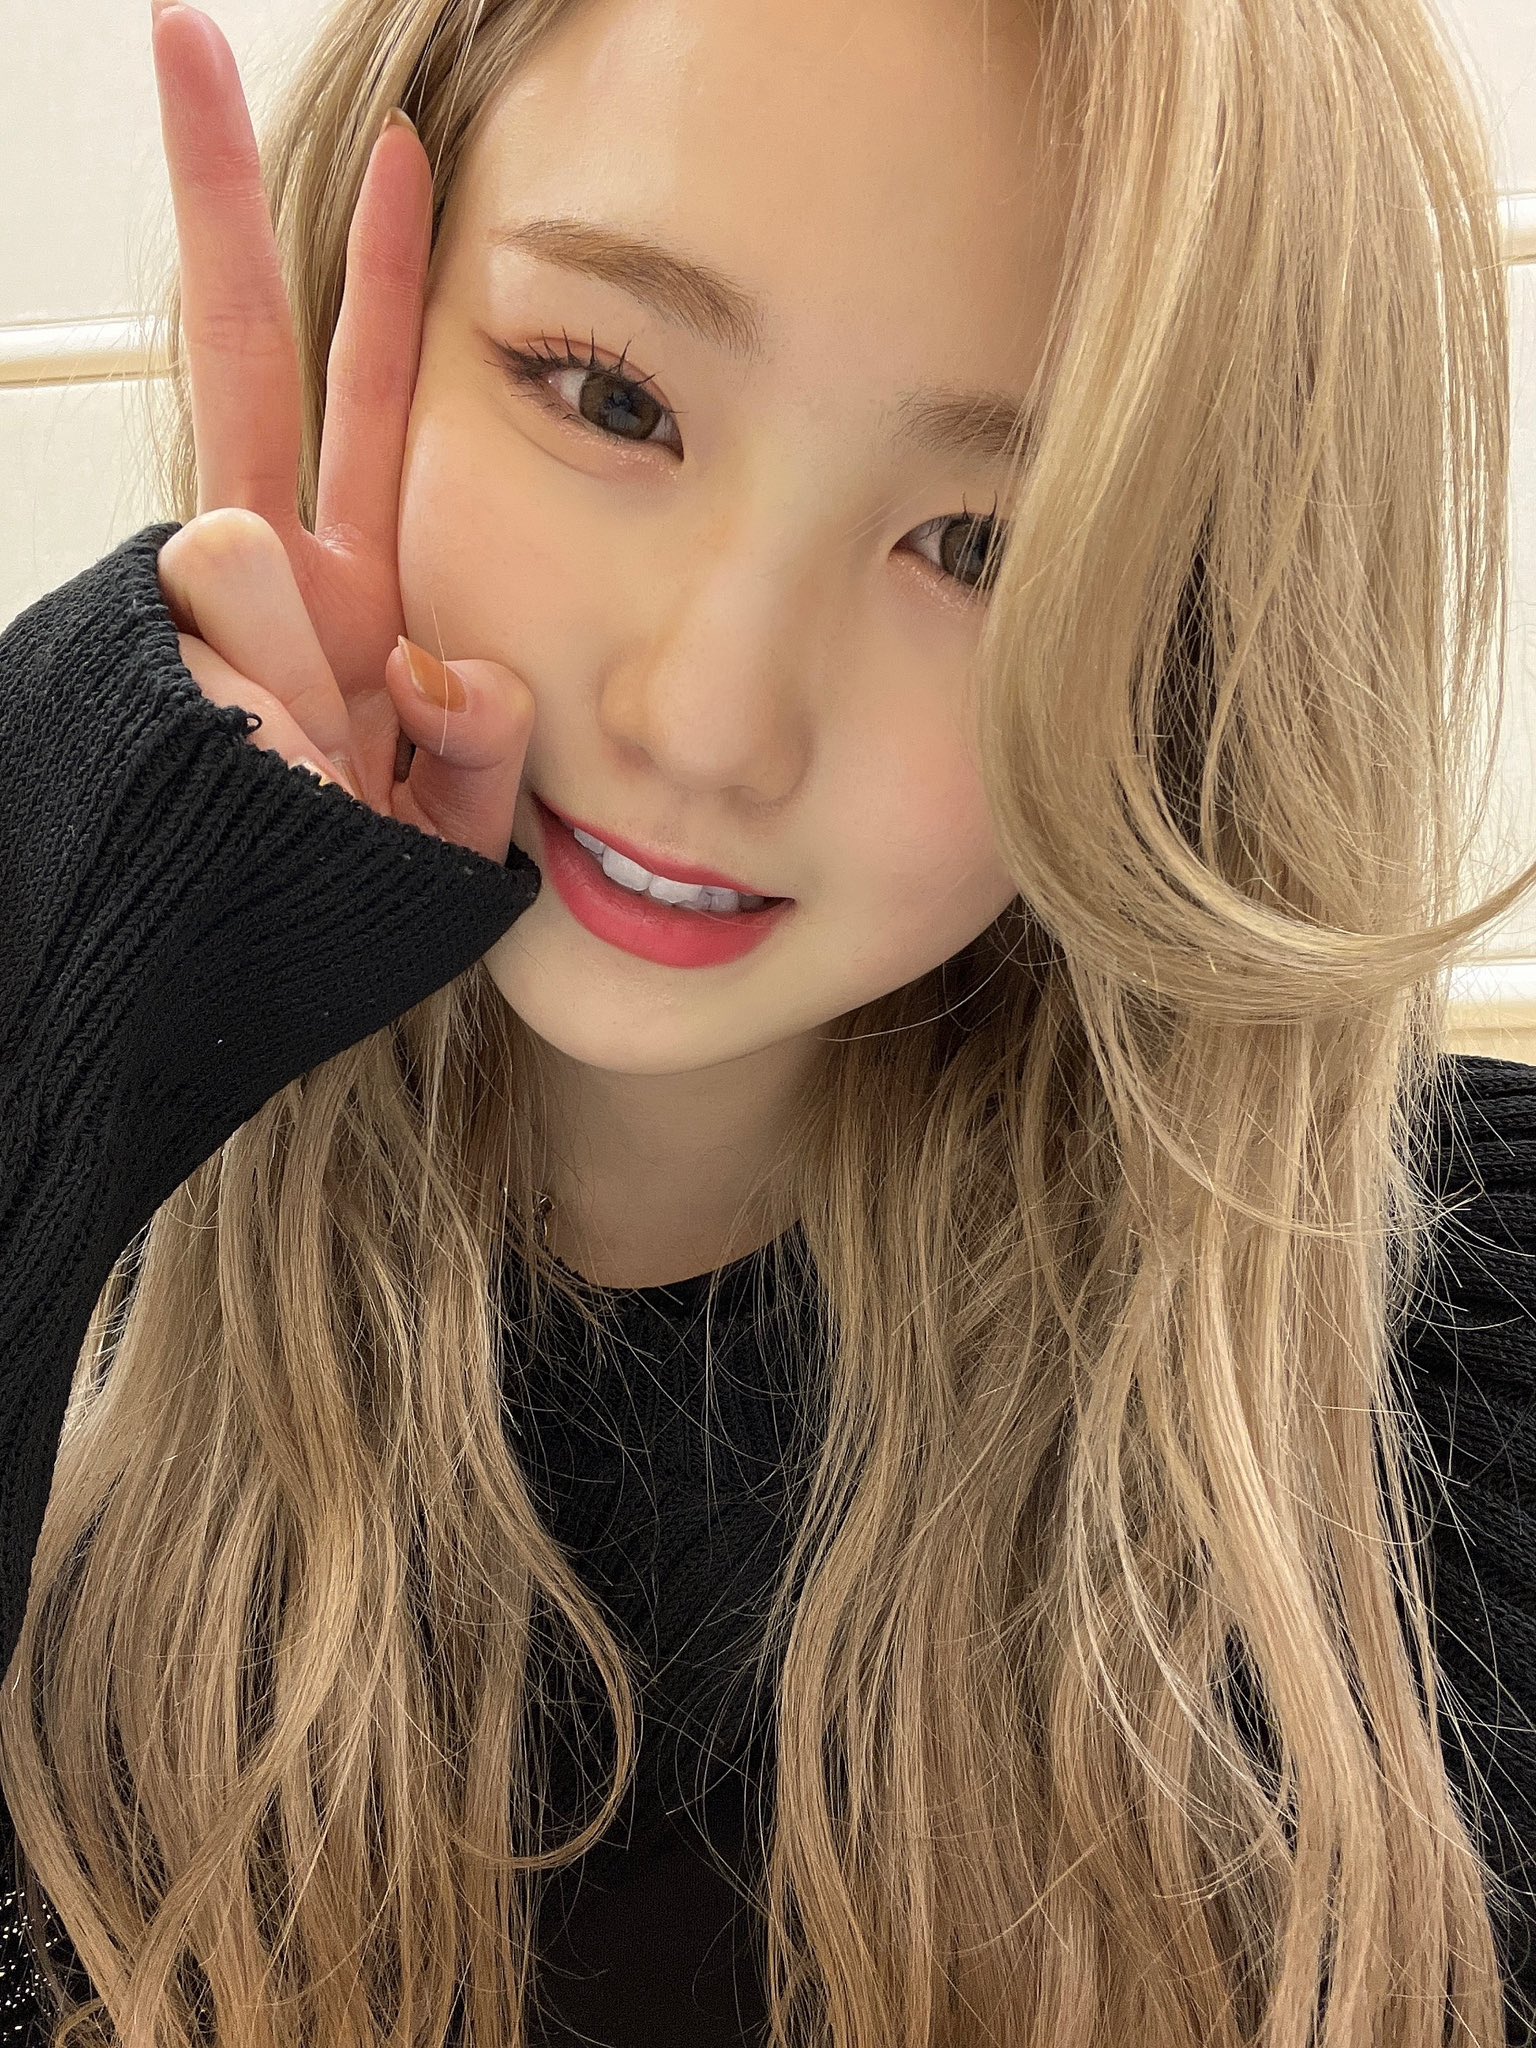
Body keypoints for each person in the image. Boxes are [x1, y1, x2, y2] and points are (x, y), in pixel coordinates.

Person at [0, 0, 1534, 2042]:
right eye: (611, 398)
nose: (708, 720)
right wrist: (52, 926)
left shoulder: (1451, 1383)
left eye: (983, 545)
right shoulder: (71, 1287)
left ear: (1195, 649)